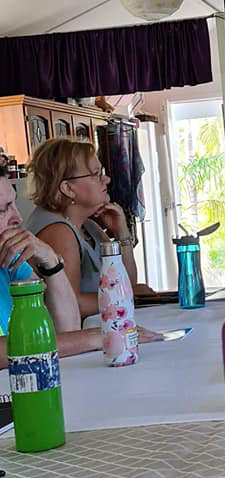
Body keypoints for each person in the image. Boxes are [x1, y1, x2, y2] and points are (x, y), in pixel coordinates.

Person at [0, 166, 159, 369]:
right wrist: (94, 337)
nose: (18, 217)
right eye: (3, 209)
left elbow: (66, 327)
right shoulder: (56, 230)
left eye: (14, 203)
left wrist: (51, 262)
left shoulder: (10, 260)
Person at [26, 137, 141, 319]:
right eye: (96, 174)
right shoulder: (57, 231)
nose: (107, 179)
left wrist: (122, 233)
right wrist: (130, 297)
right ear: (68, 188)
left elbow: (126, 282)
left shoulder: (89, 226)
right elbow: (72, 304)